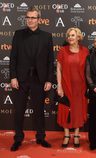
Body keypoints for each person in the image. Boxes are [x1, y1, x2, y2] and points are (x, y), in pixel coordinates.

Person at [9, 7, 54, 151]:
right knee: (19, 110)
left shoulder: (47, 36)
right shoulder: (18, 34)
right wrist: (13, 77)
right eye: (28, 17)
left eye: (33, 17)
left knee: (39, 110)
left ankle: (41, 137)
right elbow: (13, 58)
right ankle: (18, 139)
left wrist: (49, 80)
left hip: (39, 79)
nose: (30, 20)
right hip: (21, 79)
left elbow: (49, 60)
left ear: (39, 19)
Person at [56, 27, 89, 148]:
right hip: (66, 86)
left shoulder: (85, 51)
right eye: (69, 35)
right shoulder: (63, 50)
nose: (70, 37)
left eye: (73, 35)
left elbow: (88, 70)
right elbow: (58, 69)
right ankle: (66, 135)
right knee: (65, 110)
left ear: (78, 37)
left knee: (78, 111)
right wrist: (59, 86)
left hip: (80, 88)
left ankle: (76, 135)